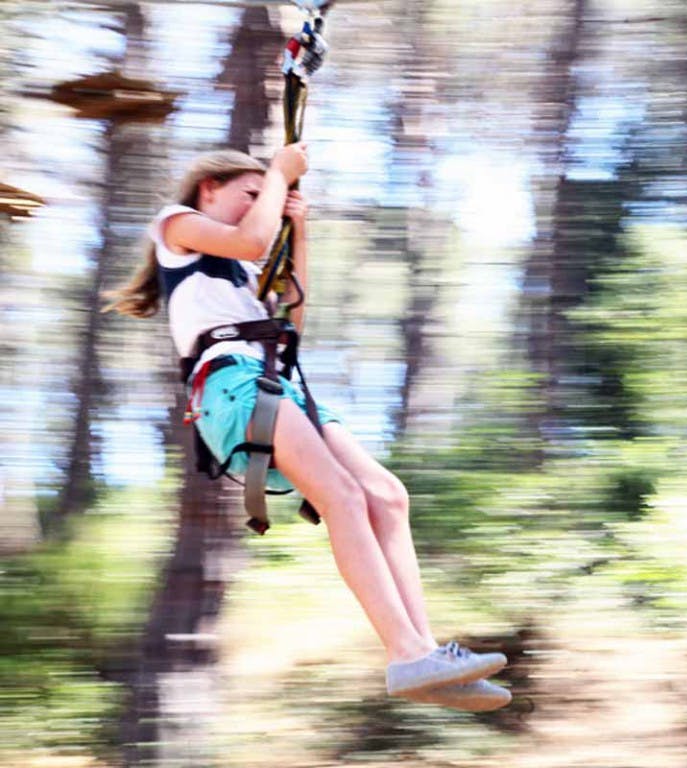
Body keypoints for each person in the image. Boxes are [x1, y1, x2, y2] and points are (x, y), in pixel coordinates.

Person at [104, 145, 510, 712]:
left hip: (275, 381)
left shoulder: (241, 272)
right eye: (248, 195)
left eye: (261, 197)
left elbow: (291, 317)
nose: (258, 205)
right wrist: (277, 173)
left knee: (387, 497)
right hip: (230, 384)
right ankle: (404, 651)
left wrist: (300, 230)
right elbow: (249, 238)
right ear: (209, 191)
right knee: (341, 496)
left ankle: (424, 652)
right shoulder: (176, 227)